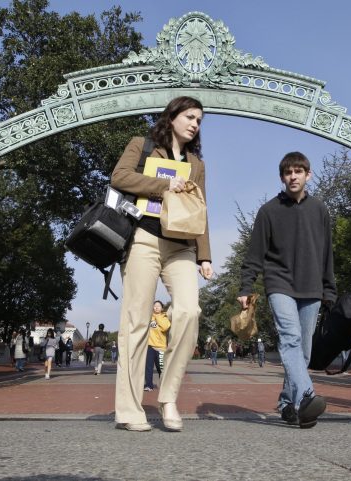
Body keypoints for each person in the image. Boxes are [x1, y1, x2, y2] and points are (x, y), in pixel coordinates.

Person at [111, 96, 213, 432]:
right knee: (136, 321)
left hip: (181, 245)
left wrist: (205, 255)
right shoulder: (142, 146)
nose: (195, 124)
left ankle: (167, 398)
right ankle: (129, 409)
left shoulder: (197, 163)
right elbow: (120, 177)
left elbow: (201, 208)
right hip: (144, 238)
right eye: (189, 116)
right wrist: (163, 185)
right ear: (172, 118)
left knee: (188, 311)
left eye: (199, 119)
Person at [238, 151, 337, 429]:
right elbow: (254, 254)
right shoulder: (268, 211)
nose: (293, 176)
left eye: (298, 171)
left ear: (308, 174)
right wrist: (246, 285)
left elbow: (327, 253)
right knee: (291, 339)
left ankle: (287, 404)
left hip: (312, 288)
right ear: (282, 177)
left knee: (303, 352)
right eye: (288, 172)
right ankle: (307, 397)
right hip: (279, 284)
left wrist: (330, 290)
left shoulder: (320, 210)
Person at [145, 301, 170, 391]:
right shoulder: (149, 317)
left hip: (160, 347)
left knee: (161, 368)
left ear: (162, 308)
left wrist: (157, 317)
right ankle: (148, 385)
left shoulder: (164, 317)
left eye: (158, 306)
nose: (156, 307)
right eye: (154, 306)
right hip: (150, 346)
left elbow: (165, 327)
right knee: (148, 367)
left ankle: (163, 385)